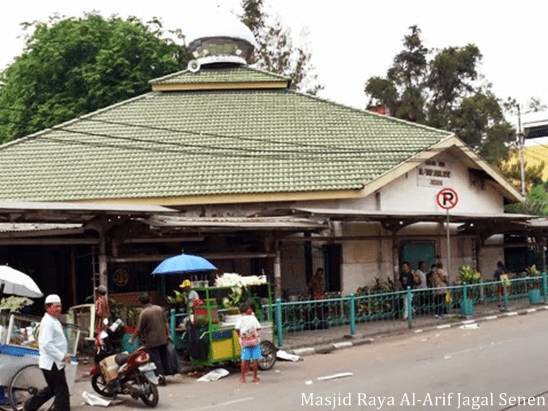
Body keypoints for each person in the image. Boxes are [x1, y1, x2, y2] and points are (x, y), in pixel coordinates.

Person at [24, 294, 71, 411]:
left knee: (52, 389)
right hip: (52, 363)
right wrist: (61, 356)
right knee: (61, 392)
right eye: (56, 306)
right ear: (48, 307)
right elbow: (46, 344)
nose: (59, 309)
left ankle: (30, 406)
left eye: (60, 306)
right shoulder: (49, 322)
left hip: (53, 363)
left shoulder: (53, 320)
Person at [129, 294, 170, 386]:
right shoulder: (159, 309)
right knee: (162, 358)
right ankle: (162, 375)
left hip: (152, 341)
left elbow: (138, 329)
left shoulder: (144, 313)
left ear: (141, 303)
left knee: (154, 360)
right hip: (163, 338)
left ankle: (159, 378)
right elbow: (166, 323)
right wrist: (168, 334)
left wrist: (132, 339)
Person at [234, 302, 262, 383]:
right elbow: (258, 327)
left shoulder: (240, 319)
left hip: (245, 342)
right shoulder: (253, 318)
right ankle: (255, 377)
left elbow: (237, 328)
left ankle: (243, 377)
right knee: (255, 359)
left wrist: (240, 335)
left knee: (244, 359)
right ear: (248, 310)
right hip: (254, 341)